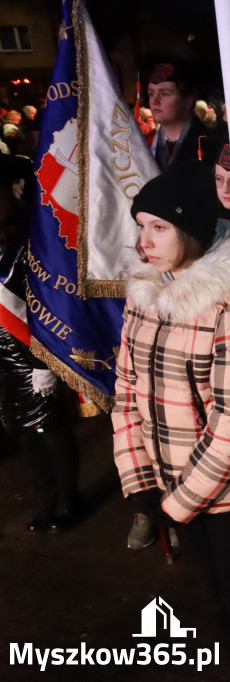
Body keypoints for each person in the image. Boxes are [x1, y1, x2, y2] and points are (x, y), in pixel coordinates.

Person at [112, 160, 230, 681]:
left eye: (159, 227)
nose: (145, 240)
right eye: (142, 226)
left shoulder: (229, 307)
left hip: (223, 491)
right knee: (209, 594)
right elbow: (127, 393)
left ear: (191, 230)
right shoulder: (143, 296)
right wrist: (140, 480)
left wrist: (181, 501)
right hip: (166, 481)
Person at [0, 154, 83, 535]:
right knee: (20, 429)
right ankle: (45, 498)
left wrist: (44, 363)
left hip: (32, 349)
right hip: (2, 356)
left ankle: (69, 498)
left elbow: (44, 302)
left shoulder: (28, 241)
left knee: (48, 427)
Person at [146, 61, 205, 170]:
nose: (155, 101)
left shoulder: (211, 145)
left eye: (164, 94)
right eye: (151, 94)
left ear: (188, 100)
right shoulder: (144, 144)